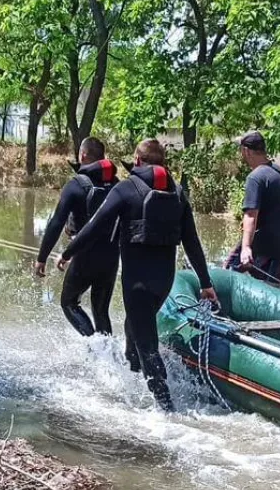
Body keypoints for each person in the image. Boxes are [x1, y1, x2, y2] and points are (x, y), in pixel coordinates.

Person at [60, 139, 218, 411]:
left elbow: (95, 226)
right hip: (163, 282)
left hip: (137, 284)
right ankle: (131, 382)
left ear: (137, 160)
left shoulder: (125, 189)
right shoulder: (178, 193)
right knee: (133, 330)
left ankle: (167, 412)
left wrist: (68, 252)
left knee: (147, 346)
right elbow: (192, 242)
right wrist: (205, 283)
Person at [34, 137, 119, 336]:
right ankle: (110, 356)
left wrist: (42, 258)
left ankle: (96, 348)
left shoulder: (76, 185)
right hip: (112, 255)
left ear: (82, 155)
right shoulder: (117, 184)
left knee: (69, 303)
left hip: (85, 254)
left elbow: (56, 223)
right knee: (100, 311)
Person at [224, 130, 280, 285]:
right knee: (271, 290)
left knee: (226, 275)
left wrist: (246, 247)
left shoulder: (255, 178)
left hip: (260, 246)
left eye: (241, 150)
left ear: (246, 151)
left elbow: (251, 215)